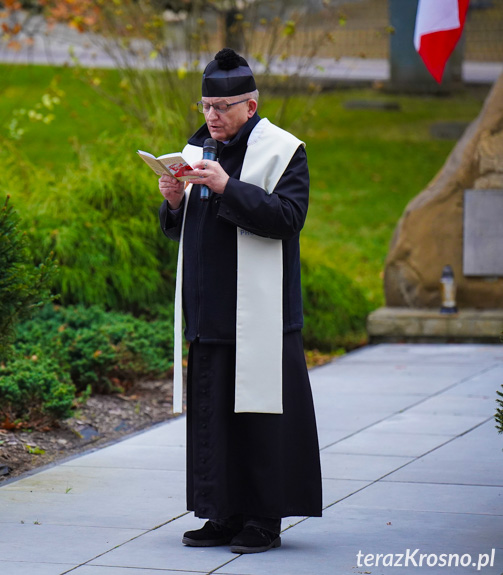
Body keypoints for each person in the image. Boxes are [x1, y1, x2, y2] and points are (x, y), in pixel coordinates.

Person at [158, 48, 322, 554]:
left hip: (263, 316)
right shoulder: (196, 149)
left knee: (259, 422)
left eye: (223, 106)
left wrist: (228, 186)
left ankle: (262, 520)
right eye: (206, 106)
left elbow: (288, 218)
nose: (212, 116)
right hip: (209, 313)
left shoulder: (284, 150)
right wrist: (172, 203)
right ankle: (221, 512)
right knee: (213, 418)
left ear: (250, 106)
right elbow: (183, 231)